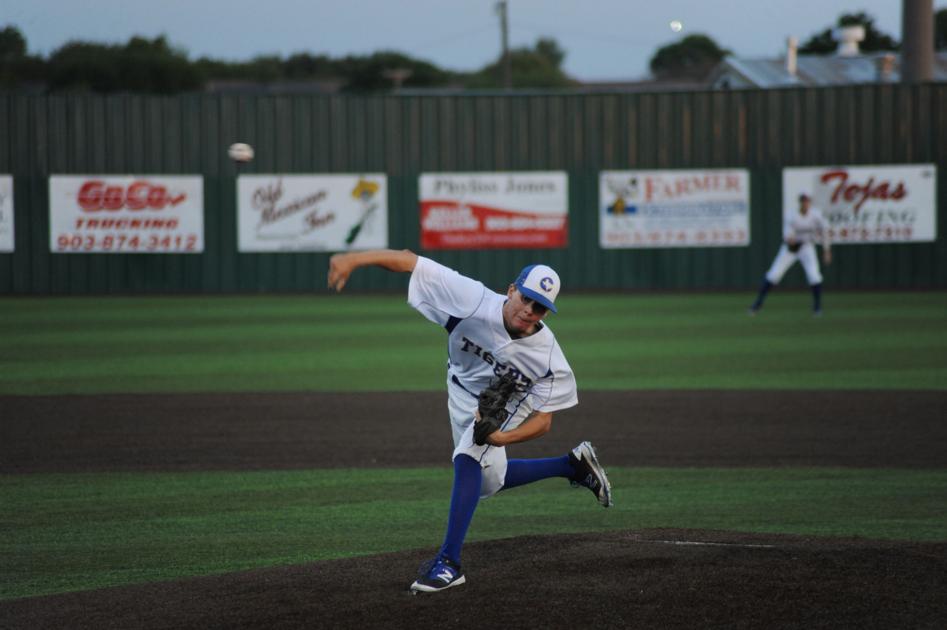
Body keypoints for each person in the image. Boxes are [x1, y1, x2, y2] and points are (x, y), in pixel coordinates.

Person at [327, 249, 612, 594]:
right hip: (459, 389)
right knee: (488, 482)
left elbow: (543, 422)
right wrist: (354, 260)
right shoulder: (472, 299)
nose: (529, 310)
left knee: (468, 458)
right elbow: (410, 261)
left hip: (507, 404)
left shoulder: (549, 359)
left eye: (539, 307)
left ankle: (449, 562)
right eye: (526, 298)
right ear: (511, 290)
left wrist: (501, 438)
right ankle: (572, 466)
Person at [749, 193, 832, 316]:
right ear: (800, 202)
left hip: (807, 247)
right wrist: (791, 240)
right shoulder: (791, 215)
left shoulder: (816, 215)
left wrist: (826, 250)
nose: (805, 203)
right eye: (803, 201)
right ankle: (757, 305)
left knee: (814, 276)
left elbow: (825, 231)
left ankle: (817, 308)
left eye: (807, 201)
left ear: (810, 203)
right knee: (774, 274)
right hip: (790, 249)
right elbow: (788, 237)